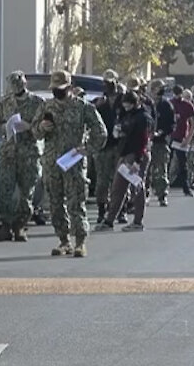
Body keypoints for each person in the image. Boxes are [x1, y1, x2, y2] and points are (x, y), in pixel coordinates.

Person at [36, 70, 107, 257]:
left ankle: (80, 241)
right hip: (52, 162)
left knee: (76, 202)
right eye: (54, 89)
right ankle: (63, 241)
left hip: (73, 162)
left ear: (70, 87)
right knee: (55, 204)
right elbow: (34, 132)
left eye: (60, 88)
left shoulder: (83, 107)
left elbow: (100, 131)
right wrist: (41, 128)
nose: (56, 92)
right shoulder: (46, 107)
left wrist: (87, 148)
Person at [0, 71, 46, 242]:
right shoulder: (4, 103)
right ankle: (5, 225)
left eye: (19, 84)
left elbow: (43, 128)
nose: (17, 88)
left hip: (29, 152)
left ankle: (20, 225)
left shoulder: (37, 103)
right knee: (4, 189)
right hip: (8, 152)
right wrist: (6, 129)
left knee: (26, 192)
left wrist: (30, 127)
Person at [96, 89, 152, 231]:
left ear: (135, 103)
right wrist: (118, 131)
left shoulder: (142, 117)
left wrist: (137, 162)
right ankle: (109, 221)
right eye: (124, 105)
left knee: (137, 188)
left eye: (128, 105)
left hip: (136, 155)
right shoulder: (126, 115)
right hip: (124, 153)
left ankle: (138, 221)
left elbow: (143, 141)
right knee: (117, 188)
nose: (126, 108)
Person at [92, 70, 121, 224]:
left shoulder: (123, 101)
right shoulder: (99, 103)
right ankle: (101, 210)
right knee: (102, 181)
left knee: (119, 180)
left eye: (111, 83)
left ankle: (120, 209)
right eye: (106, 83)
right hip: (103, 146)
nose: (108, 86)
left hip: (119, 146)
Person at [147, 79, 175, 206]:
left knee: (161, 169)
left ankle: (162, 195)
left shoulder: (166, 105)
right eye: (159, 88)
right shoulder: (146, 104)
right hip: (147, 142)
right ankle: (145, 194)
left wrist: (162, 132)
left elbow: (171, 124)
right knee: (146, 171)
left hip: (161, 142)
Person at [168, 85, 194, 197]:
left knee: (183, 164)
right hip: (170, 137)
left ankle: (186, 187)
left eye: (179, 94)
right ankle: (163, 187)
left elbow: (193, 123)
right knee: (167, 163)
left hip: (181, 138)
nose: (177, 96)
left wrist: (189, 138)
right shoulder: (170, 103)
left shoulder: (188, 105)